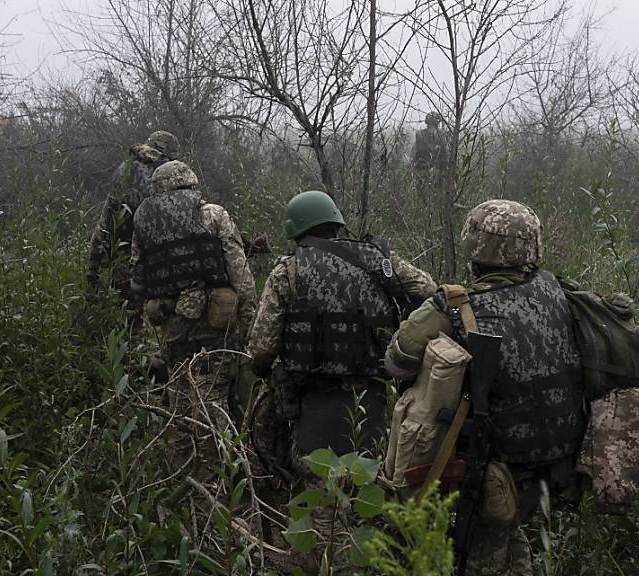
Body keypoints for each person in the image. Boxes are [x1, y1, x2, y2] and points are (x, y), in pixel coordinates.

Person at [384, 199, 586, 576]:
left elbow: (395, 361)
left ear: (474, 246)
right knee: (509, 534)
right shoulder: (557, 292)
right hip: (556, 461)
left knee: (480, 553)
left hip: (491, 467)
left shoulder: (457, 306)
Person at [246, 190, 435, 568]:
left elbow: (261, 350)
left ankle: (323, 561)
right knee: (369, 489)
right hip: (376, 400)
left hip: (314, 403)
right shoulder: (381, 260)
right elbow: (430, 292)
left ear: (297, 229)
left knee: (321, 495)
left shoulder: (290, 270)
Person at [130, 160, 257, 474]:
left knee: (180, 399)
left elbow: (138, 281)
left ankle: (183, 476)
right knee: (214, 400)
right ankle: (224, 481)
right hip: (215, 324)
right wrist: (249, 320)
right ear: (190, 184)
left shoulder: (143, 222)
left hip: (173, 326)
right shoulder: (213, 214)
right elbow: (241, 275)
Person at [86, 130, 180, 302]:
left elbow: (107, 217)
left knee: (124, 310)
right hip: (151, 259)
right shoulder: (163, 175)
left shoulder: (124, 168)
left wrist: (93, 264)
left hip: (120, 254)